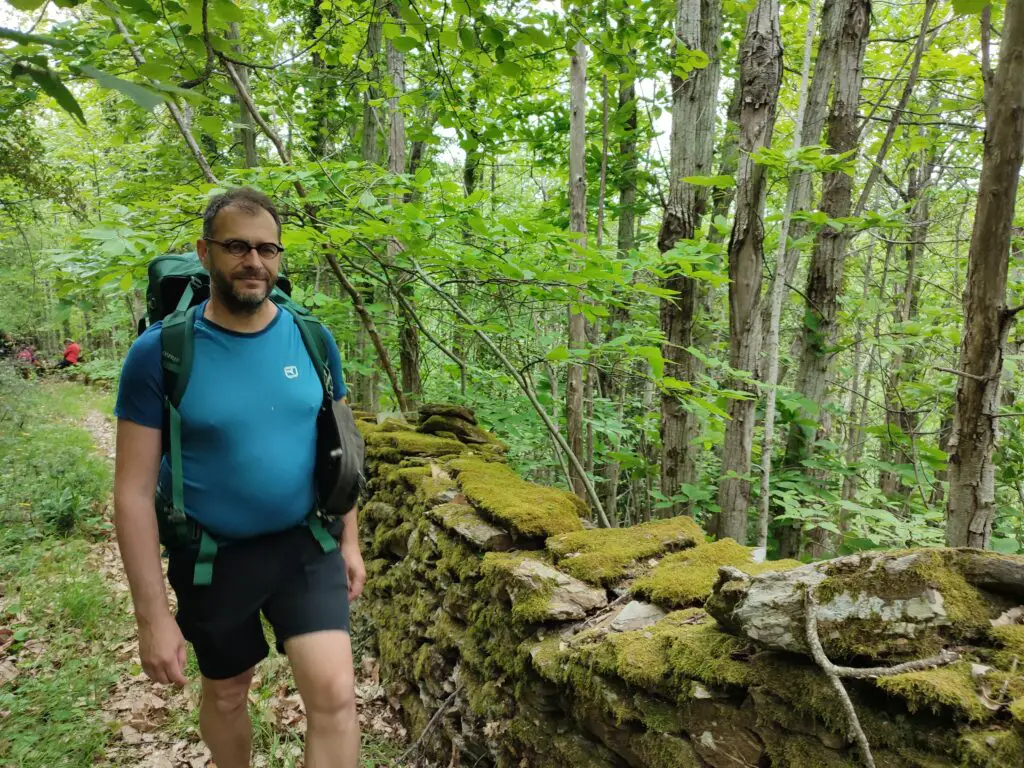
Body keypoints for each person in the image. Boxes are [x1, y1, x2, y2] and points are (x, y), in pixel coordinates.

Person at [113, 187, 364, 768]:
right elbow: (130, 495)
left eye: (268, 249)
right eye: (237, 246)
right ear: (205, 253)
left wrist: (350, 541)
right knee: (227, 694)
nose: (255, 262)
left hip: (307, 545)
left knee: (336, 698)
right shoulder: (160, 355)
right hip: (211, 557)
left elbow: (341, 449)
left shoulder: (313, 339)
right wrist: (152, 618)